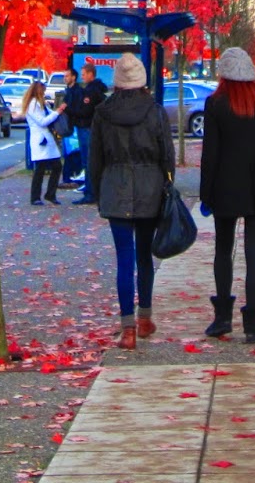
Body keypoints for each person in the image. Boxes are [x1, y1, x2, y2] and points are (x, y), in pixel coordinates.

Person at [198, 47, 255, 344]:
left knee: (223, 252)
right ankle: (253, 323)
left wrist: (206, 194)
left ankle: (222, 318)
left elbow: (210, 155)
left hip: (225, 188)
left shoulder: (216, 104)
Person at [88, 52, 174, 349]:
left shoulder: (102, 113)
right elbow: (167, 155)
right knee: (144, 256)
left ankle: (127, 328)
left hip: (115, 186)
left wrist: (99, 193)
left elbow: (95, 158)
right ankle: (146, 316)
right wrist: (167, 184)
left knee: (124, 259)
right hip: (150, 187)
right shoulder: (155, 111)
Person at [68, 61, 108, 205]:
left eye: (84, 74)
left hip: (86, 127)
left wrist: (71, 111)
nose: (82, 77)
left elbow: (85, 110)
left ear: (91, 74)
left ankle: (90, 192)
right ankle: (92, 190)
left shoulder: (90, 91)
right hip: (91, 127)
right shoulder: (98, 90)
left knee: (88, 161)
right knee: (90, 160)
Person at [23, 79, 66, 205]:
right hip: (40, 139)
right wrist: (57, 113)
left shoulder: (41, 103)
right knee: (40, 169)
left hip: (46, 138)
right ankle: (35, 196)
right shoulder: (33, 105)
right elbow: (42, 121)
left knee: (56, 166)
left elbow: (49, 114)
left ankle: (50, 194)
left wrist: (58, 111)